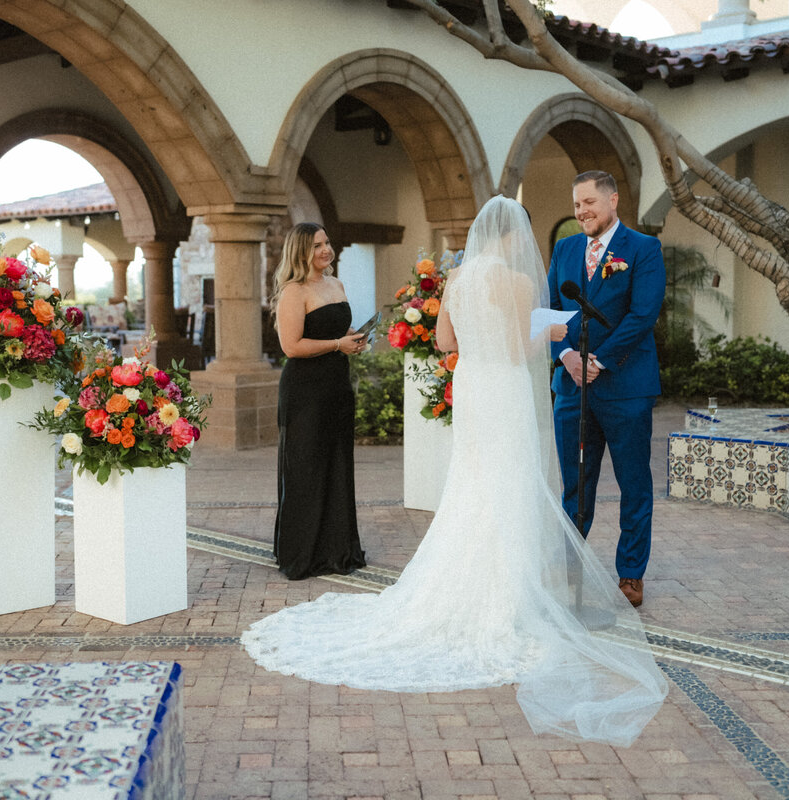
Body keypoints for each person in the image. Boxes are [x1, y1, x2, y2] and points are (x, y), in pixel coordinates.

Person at [243, 197, 666, 746]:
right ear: (512, 238)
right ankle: (509, 590)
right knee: (509, 481)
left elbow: (445, 343)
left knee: (472, 482)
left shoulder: (460, 277)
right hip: (505, 389)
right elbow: (520, 350)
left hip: (473, 388)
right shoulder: (515, 283)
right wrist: (553, 334)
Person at [548, 171, 667, 609]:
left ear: (613, 200)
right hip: (571, 387)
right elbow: (551, 311)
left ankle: (631, 574)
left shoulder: (642, 249)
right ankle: (570, 569)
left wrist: (597, 361)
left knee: (634, 482)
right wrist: (566, 356)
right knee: (575, 484)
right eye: (577, 205)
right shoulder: (565, 248)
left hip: (625, 387)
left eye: (589, 203)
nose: (581, 212)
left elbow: (642, 314)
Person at [270, 222, 369, 580]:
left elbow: (336, 331)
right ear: (301, 252)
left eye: (327, 242)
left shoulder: (336, 284)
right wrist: (336, 345)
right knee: (305, 467)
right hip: (304, 391)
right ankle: (302, 554)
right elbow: (291, 346)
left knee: (337, 464)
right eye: (317, 246)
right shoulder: (294, 291)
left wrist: (353, 339)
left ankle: (337, 549)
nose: (326, 250)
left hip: (336, 386)